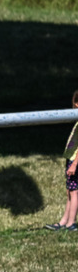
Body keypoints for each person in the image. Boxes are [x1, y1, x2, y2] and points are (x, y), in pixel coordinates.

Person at [45, 90, 78, 231]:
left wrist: (75, 164)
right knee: (70, 191)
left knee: (74, 191)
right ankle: (64, 221)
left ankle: (71, 223)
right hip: (71, 159)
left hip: (75, 161)